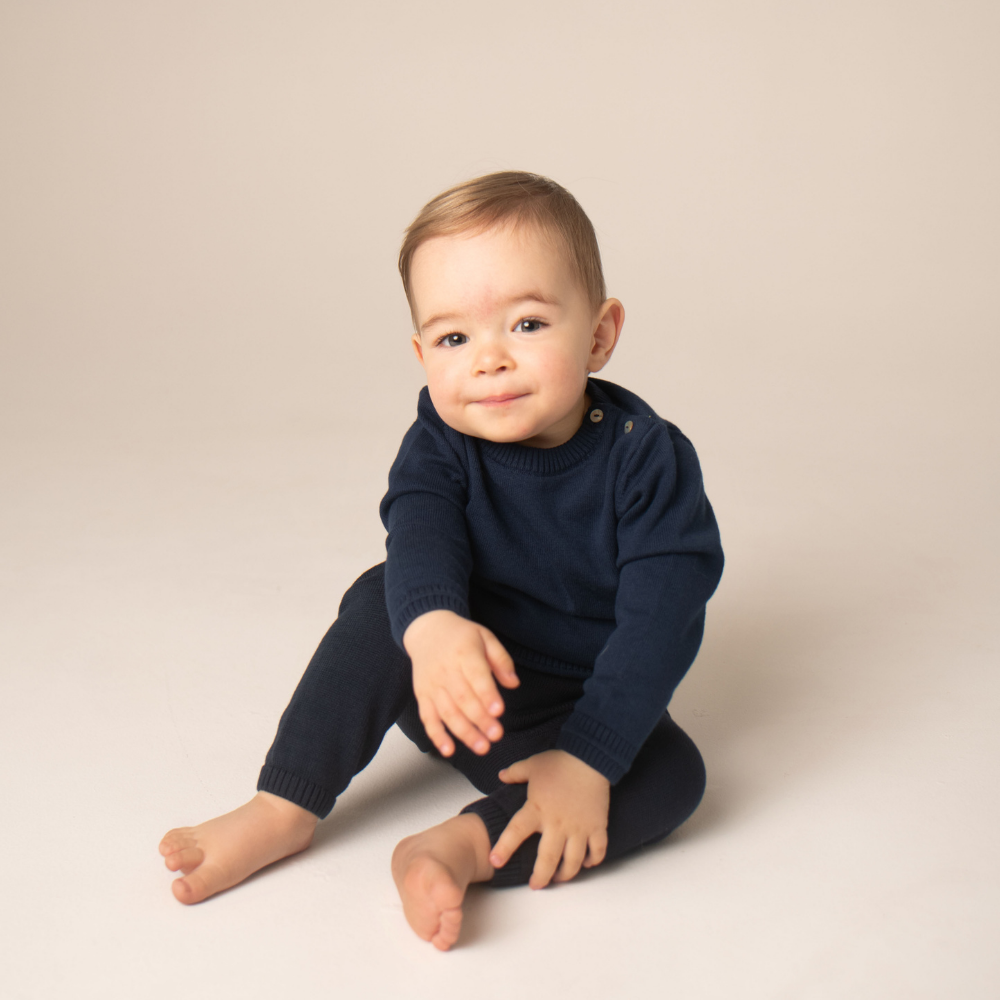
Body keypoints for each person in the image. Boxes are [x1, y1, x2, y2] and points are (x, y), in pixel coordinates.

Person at [159, 171, 724, 951]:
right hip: (453, 686)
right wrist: (431, 631)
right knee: (381, 597)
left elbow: (661, 620)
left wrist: (590, 756)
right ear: (422, 352)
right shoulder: (441, 440)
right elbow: (418, 528)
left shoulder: (645, 461)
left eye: (526, 325)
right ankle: (283, 806)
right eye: (455, 339)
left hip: (568, 712)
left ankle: (459, 848)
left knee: (675, 778)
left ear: (598, 334)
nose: (488, 360)